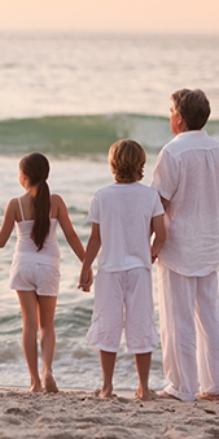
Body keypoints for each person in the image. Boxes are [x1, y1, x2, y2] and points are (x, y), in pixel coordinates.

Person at [0, 152, 85, 393]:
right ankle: (47, 370)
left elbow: (0, 241)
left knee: (29, 325)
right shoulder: (56, 202)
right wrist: (87, 265)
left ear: (23, 176)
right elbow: (72, 237)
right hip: (48, 267)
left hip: (23, 266)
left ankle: (34, 381)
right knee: (47, 325)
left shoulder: (15, 204)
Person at [151, 89, 219, 402]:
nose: (169, 116)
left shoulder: (173, 152)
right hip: (210, 241)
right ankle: (215, 386)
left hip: (180, 244)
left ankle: (181, 386)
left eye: (171, 111)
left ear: (180, 119)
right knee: (210, 315)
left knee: (177, 317)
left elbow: (157, 203)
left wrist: (151, 242)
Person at [78, 139, 166, 400]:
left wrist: (85, 268)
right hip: (139, 270)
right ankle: (143, 387)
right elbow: (161, 233)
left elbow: (96, 239)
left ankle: (106, 387)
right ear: (141, 164)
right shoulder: (150, 195)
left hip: (110, 270)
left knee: (108, 323)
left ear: (113, 164)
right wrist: (152, 251)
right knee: (141, 322)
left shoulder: (102, 196)